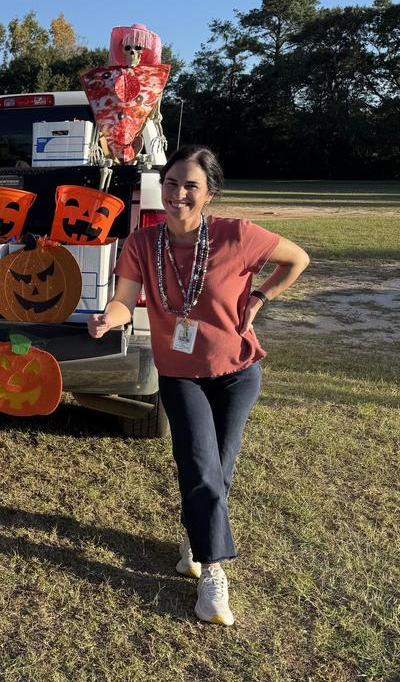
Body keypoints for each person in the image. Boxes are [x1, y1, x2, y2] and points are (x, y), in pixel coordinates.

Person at [87, 144, 309, 625]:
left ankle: (197, 534)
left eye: (190, 186)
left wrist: (262, 296)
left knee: (218, 471)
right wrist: (110, 318)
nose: (178, 194)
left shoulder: (237, 235)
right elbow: (126, 300)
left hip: (238, 374)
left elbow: (297, 259)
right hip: (181, 374)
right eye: (171, 183)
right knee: (199, 464)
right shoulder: (143, 244)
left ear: (209, 193)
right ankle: (213, 572)